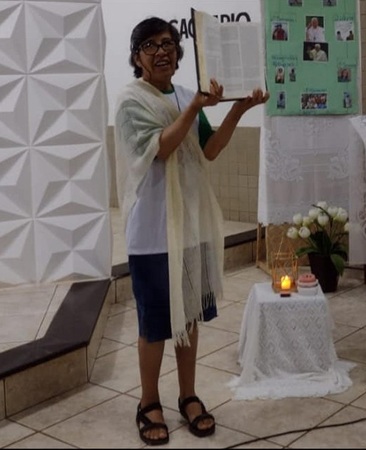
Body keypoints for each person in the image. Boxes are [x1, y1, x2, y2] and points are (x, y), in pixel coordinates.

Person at [113, 17, 268, 446]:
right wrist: (195, 108)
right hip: (152, 231)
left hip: (191, 227)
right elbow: (161, 148)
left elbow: (210, 150)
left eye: (168, 43)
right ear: (137, 57)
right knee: (154, 323)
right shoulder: (130, 101)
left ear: (179, 54)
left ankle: (188, 395)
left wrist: (238, 108)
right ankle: (148, 402)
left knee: (190, 315)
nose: (161, 51)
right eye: (150, 45)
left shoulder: (185, 95)